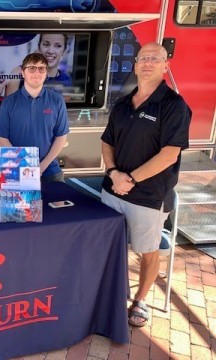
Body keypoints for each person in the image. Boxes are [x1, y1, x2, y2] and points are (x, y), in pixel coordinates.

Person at [100, 42, 191, 327]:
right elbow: (106, 142)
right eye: (143, 59)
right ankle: (112, 292)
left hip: (149, 196)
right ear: (135, 65)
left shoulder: (174, 105)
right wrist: (114, 173)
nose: (148, 63)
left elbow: (169, 154)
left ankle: (140, 300)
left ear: (166, 65)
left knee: (147, 251)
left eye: (155, 58)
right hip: (113, 189)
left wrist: (132, 179)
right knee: (110, 246)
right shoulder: (124, 104)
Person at [0, 52, 69, 182]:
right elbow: (2, 140)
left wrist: (41, 167)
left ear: (46, 73)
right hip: (17, 169)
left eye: (41, 69)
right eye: (32, 68)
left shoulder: (57, 101)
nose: (37, 73)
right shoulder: (8, 102)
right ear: (23, 73)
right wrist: (25, 167)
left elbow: (61, 138)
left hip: (49, 170)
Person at [0, 33, 71, 98]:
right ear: (39, 47)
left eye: (58, 46)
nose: (51, 51)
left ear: (64, 50)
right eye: (46, 44)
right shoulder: (18, 72)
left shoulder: (68, 81)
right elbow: (8, 111)